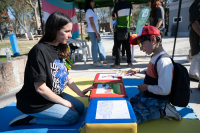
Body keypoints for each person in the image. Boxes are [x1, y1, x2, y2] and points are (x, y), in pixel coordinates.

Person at [9, 12, 92, 126]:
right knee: (72, 117)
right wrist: (64, 102)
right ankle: (29, 119)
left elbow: (65, 75)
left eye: (70, 31)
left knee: (80, 108)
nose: (70, 35)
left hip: (53, 95)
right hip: (36, 101)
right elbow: (40, 88)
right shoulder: (39, 51)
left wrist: (79, 92)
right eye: (67, 31)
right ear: (54, 30)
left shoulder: (60, 47)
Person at [128, 26, 182, 124]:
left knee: (131, 119)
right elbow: (153, 71)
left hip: (157, 99)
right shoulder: (155, 56)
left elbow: (164, 90)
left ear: (153, 39)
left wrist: (146, 87)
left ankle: (163, 110)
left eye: (141, 44)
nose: (140, 49)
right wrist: (139, 70)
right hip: (148, 94)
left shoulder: (164, 62)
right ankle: (161, 109)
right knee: (127, 105)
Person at [85, 0, 106, 67]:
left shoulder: (90, 11)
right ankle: (95, 61)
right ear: (89, 2)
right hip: (93, 31)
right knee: (94, 46)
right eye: (93, 1)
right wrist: (96, 32)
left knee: (99, 43)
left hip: (93, 31)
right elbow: (91, 23)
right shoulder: (89, 11)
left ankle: (102, 58)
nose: (94, 3)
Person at [111, 0, 132, 68]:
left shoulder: (117, 5)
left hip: (118, 29)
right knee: (127, 46)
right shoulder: (129, 4)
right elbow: (129, 15)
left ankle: (117, 64)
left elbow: (114, 17)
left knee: (117, 46)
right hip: (127, 29)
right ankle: (129, 62)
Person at [188, 0, 200, 89]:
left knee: (196, 56)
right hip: (197, 35)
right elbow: (193, 20)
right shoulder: (197, 3)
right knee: (199, 55)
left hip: (196, 34)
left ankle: (192, 73)